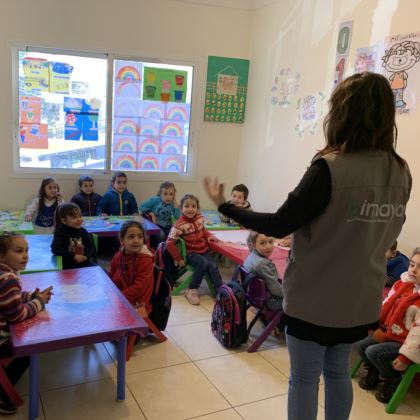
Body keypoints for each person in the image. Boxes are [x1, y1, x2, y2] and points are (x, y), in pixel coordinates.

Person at [204, 72, 412, 420]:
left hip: (315, 300)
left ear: (342, 114)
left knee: (303, 378)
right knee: (336, 373)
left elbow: (280, 224)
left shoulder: (329, 168)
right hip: (360, 300)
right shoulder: (400, 171)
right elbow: (391, 229)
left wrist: (226, 206)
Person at [354, 247, 420, 403]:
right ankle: (374, 372)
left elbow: (418, 334)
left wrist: (405, 357)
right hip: (393, 334)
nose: (413, 270)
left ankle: (393, 379)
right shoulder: (403, 285)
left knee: (374, 351)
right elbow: (385, 306)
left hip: (411, 344)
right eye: (412, 265)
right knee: (360, 344)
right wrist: (375, 327)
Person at [0, 232, 53, 414]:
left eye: (26, 251)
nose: (25, 256)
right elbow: (16, 314)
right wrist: (39, 303)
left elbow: (12, 297)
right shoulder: (7, 279)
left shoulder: (5, 273)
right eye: (19, 251)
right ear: (2, 255)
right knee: (29, 351)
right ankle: (3, 396)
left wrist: (31, 296)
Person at [166, 194, 222, 305]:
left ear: (197, 208)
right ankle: (192, 289)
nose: (190, 209)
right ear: (181, 208)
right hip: (190, 253)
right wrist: (178, 257)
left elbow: (203, 230)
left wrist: (208, 235)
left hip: (203, 250)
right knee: (203, 263)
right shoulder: (179, 225)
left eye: (193, 206)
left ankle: (220, 292)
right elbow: (169, 243)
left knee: (213, 266)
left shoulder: (200, 218)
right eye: (187, 206)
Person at [109, 221, 154, 314]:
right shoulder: (118, 256)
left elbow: (139, 288)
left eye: (140, 237)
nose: (136, 240)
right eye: (131, 237)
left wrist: (118, 298)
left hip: (139, 305)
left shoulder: (145, 260)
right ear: (122, 240)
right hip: (122, 298)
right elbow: (110, 279)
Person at [244, 231, 283, 311]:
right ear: (254, 244)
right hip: (268, 300)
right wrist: (290, 295)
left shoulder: (251, 256)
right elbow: (275, 289)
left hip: (253, 296)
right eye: (263, 243)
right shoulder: (262, 264)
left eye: (271, 242)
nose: (268, 246)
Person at [51, 203, 96, 269]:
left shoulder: (83, 231)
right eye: (74, 217)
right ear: (64, 220)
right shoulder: (60, 231)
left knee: (103, 272)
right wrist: (73, 256)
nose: (79, 219)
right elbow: (56, 249)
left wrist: (85, 256)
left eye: (80, 216)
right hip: (67, 265)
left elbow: (90, 247)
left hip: (84, 263)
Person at [139, 181, 181, 247]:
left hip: (167, 225)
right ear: (160, 194)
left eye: (171, 194)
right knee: (161, 235)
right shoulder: (155, 200)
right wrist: (151, 213)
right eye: (165, 194)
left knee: (175, 235)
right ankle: (157, 252)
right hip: (155, 225)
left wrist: (175, 204)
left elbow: (177, 217)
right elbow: (142, 207)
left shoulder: (173, 203)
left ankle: (167, 252)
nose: (168, 197)